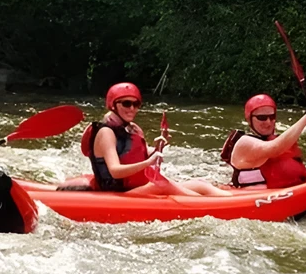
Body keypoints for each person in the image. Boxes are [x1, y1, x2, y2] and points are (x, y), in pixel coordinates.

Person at [80, 82, 231, 196]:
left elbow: (140, 155)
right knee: (161, 185)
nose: (132, 108)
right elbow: (115, 171)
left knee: (200, 184)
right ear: (113, 105)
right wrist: (147, 163)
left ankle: (227, 199)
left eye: (136, 104)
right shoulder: (106, 132)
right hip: (117, 194)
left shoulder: (131, 129)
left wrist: (159, 147)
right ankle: (210, 206)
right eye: (126, 103)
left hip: (134, 188)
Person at [220, 94, 306, 189]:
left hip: (287, 193)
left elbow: (301, 177)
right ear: (249, 119)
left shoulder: (279, 140)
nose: (268, 122)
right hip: (251, 200)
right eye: (262, 118)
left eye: (272, 117)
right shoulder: (244, 142)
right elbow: (275, 148)